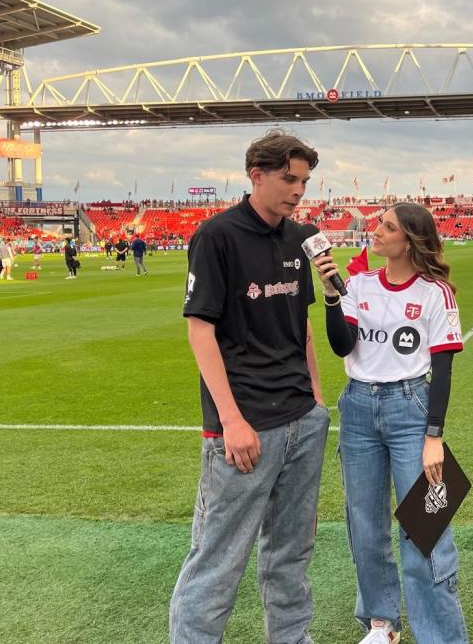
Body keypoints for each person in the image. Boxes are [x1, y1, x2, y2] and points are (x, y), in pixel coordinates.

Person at [170, 129, 330, 644]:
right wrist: (231, 420)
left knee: (292, 554)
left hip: (301, 421)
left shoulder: (297, 237)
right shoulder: (218, 236)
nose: (299, 190)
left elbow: (300, 326)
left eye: (304, 180)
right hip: (245, 429)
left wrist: (317, 400)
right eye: (289, 179)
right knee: (218, 561)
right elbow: (200, 331)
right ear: (255, 175)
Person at [313, 202, 469, 644]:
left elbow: (443, 368)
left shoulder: (435, 293)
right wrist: (330, 295)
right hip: (358, 409)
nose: (375, 232)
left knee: (427, 528)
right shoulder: (359, 284)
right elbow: (342, 345)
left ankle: (440, 634)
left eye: (387, 227)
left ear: (409, 241)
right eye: (378, 224)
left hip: (412, 410)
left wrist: (434, 435)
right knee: (365, 525)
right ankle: (381, 623)